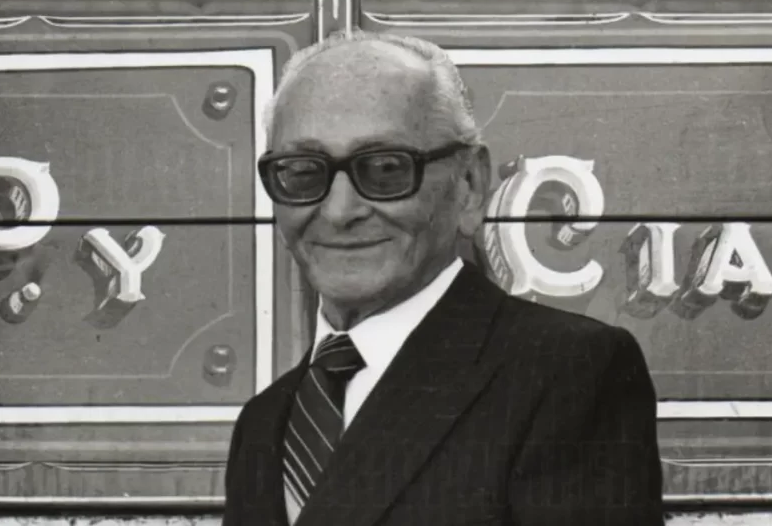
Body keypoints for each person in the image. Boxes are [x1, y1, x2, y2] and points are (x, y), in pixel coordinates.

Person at [223, 29, 664, 526]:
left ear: (470, 185)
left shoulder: (565, 373)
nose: (339, 211)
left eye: (385, 169)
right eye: (303, 172)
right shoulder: (264, 423)